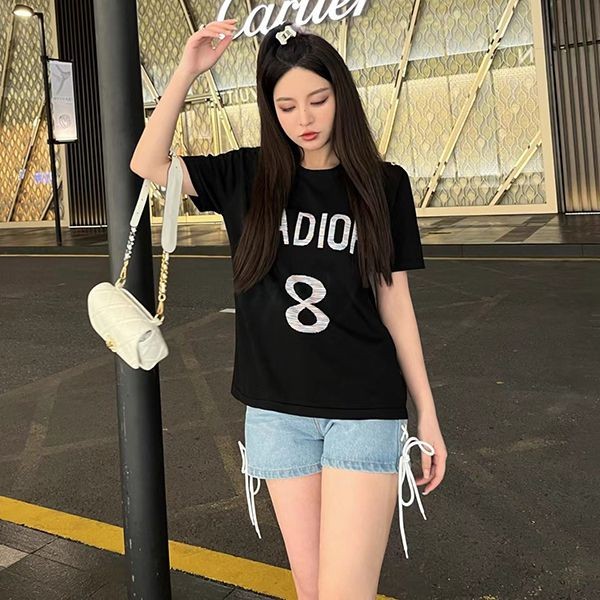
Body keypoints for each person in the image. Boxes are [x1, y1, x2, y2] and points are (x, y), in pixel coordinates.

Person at [130, 18, 447, 600]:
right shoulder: (247, 175)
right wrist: (186, 71)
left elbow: (396, 304)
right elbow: (148, 163)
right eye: (287, 106)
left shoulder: (383, 184)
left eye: (318, 100)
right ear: (270, 109)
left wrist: (427, 412)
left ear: (341, 96)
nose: (305, 119)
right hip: (276, 416)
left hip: (363, 410)